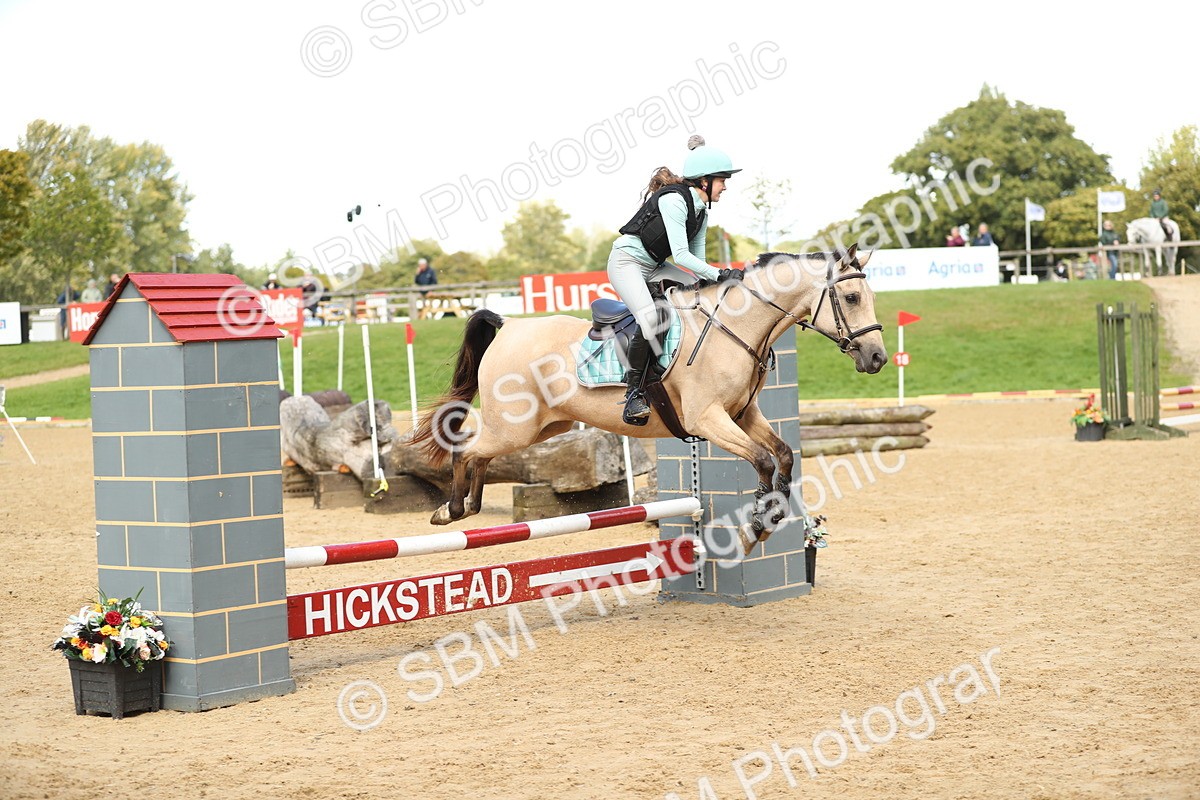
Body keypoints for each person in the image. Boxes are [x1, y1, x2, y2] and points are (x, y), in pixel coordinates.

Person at [608, 134, 742, 424]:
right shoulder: (674, 201)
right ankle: (633, 393)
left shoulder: (702, 212)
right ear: (704, 181)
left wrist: (717, 281)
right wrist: (720, 274)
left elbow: (698, 264)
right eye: (722, 180)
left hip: (655, 265)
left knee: (701, 293)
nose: (726, 186)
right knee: (650, 319)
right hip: (627, 263)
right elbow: (681, 256)